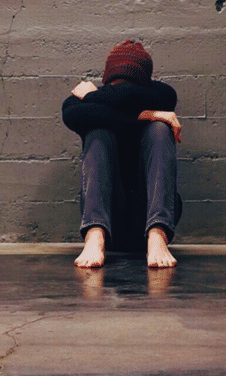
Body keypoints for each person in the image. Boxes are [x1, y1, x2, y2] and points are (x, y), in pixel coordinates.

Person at [62, 39, 183, 269]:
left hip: (148, 216)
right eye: (115, 84)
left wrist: (94, 95)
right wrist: (146, 114)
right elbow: (71, 115)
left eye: (130, 84)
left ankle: (158, 235)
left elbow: (128, 95)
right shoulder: (148, 104)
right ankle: (94, 235)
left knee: (159, 129)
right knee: (98, 131)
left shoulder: (161, 94)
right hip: (109, 221)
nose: (122, 89)